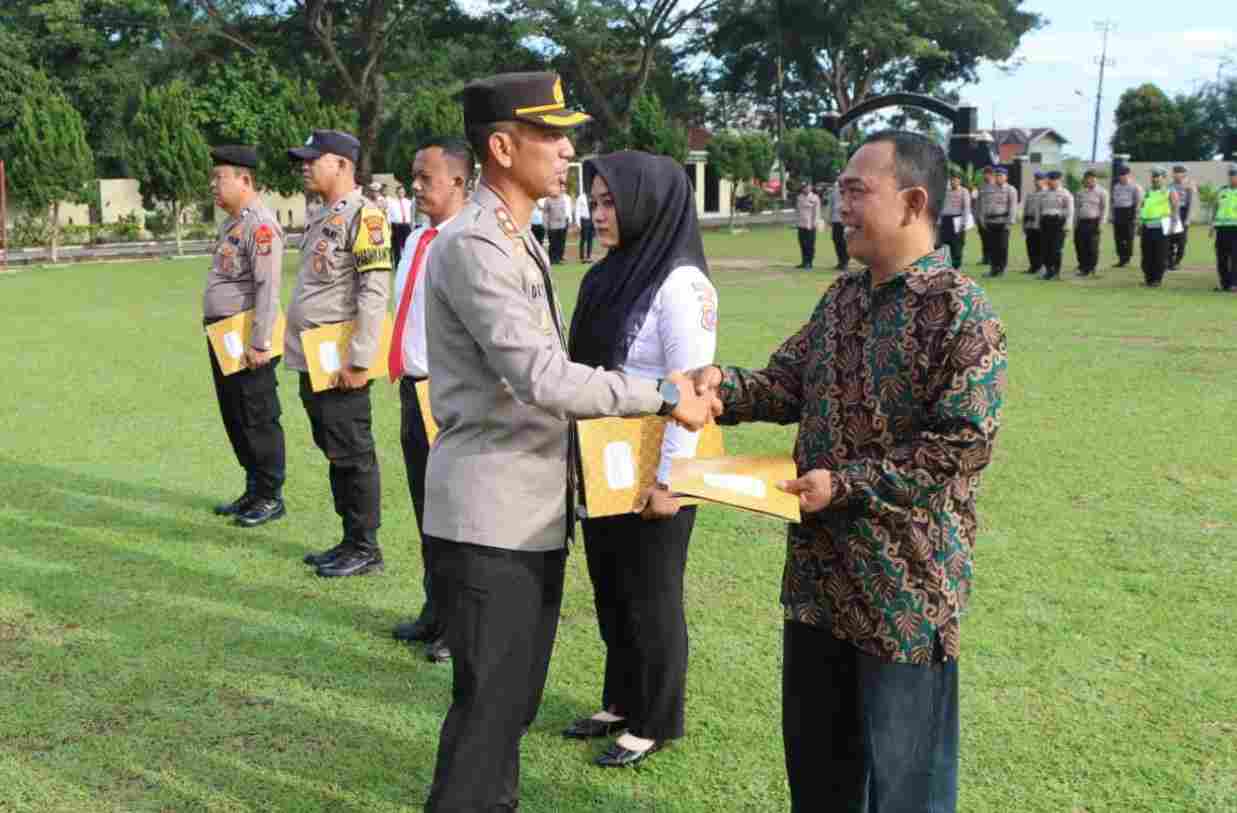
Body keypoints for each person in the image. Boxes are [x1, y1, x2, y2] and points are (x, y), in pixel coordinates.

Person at [421, 72, 716, 812]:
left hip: (528, 505)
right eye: (549, 135)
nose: (567, 151)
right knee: (491, 705)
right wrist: (663, 393)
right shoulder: (478, 246)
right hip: (493, 509)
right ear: (499, 146)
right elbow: (544, 378)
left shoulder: (516, 241)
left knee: (511, 701)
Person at [690, 130, 1007, 813]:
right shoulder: (842, 298)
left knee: (905, 782)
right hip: (818, 582)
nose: (841, 204)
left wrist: (847, 484)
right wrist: (721, 387)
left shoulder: (959, 309)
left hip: (903, 589)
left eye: (857, 190)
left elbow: (959, 443)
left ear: (913, 201)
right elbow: (785, 382)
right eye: (839, 190)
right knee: (819, 769)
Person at [561, 150, 718, 768]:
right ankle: (622, 698)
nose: (599, 214)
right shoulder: (611, 274)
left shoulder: (681, 284)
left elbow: (691, 388)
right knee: (612, 585)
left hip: (656, 465)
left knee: (652, 591)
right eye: (595, 201)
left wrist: (671, 482)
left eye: (610, 202)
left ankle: (655, 717)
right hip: (604, 459)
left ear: (647, 204)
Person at [285, 129, 392, 577]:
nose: (305, 166)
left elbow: (373, 289)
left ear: (343, 165)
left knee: (352, 450)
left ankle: (366, 546)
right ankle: (349, 538)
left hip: (341, 359)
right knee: (334, 449)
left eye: (314, 159)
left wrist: (361, 359)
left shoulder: (365, 217)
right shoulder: (321, 215)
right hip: (315, 356)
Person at [388, 137, 474, 664]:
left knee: (456, 514)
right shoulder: (418, 238)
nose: (416, 186)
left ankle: (460, 625)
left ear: (460, 182)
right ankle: (436, 610)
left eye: (427, 177)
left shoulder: (466, 244)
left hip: (450, 395)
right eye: (414, 176)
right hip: (412, 390)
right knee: (426, 510)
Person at [204, 145, 287, 527]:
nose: (213, 187)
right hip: (225, 337)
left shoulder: (260, 225)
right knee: (235, 414)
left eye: (220, 179)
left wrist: (261, 343)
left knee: (257, 416)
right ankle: (254, 488)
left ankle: (270, 495)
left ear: (245, 180)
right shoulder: (232, 223)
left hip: (247, 339)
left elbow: (268, 288)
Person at [1139, 166, 1180, 288]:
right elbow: (1143, 208)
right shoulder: (1147, 191)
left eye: (1157, 176)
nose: (1154, 179)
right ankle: (1148, 279)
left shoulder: (1169, 191)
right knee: (1146, 255)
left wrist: (1173, 225)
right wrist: (1140, 223)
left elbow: (1175, 209)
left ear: (1163, 178)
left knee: (1159, 255)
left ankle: (1157, 279)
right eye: (1153, 176)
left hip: (1162, 227)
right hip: (1147, 226)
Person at [978, 166, 1018, 277]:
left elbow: (1013, 207)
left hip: (1003, 221)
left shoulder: (1011, 190)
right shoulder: (988, 189)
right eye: (997, 175)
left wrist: (1010, 222)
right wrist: (982, 219)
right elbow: (983, 205)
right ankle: (993, 269)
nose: (998, 177)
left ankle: (1002, 268)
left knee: (1002, 246)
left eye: (1001, 175)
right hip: (990, 221)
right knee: (992, 246)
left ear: (1006, 177)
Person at [1037, 170, 1073, 280]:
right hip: (1045, 222)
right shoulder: (1043, 193)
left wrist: (1068, 225)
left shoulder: (1065, 193)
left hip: (1058, 223)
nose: (1050, 182)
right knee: (1045, 248)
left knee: (1056, 249)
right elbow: (1039, 209)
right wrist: (1038, 222)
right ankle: (1048, 271)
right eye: (1049, 179)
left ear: (1059, 180)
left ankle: (1056, 272)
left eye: (1053, 180)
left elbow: (1070, 210)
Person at [1074, 169, 1109, 277]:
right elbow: (1077, 209)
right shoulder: (1080, 192)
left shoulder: (1102, 192)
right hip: (1081, 222)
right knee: (1080, 245)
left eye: (1093, 178)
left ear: (1095, 179)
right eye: (1088, 178)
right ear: (1085, 179)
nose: (1090, 181)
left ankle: (1092, 267)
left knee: (1092, 247)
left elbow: (1104, 208)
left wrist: (1101, 223)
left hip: (1094, 222)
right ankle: (1083, 267)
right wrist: (1075, 223)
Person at [1210, 164, 1237, 292]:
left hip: (1235, 229)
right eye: (1230, 175)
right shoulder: (1222, 191)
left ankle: (1234, 284)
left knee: (1235, 257)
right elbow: (1216, 207)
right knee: (1221, 257)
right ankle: (1224, 283)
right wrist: (1212, 224)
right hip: (1222, 229)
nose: (1232, 177)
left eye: (1234, 175)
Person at [937, 168, 970, 270]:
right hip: (946, 220)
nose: (953, 182)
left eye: (955, 179)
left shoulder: (964, 191)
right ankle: (944, 266)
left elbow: (966, 208)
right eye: (951, 179)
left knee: (957, 245)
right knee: (941, 244)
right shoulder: (944, 191)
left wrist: (964, 223)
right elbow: (940, 206)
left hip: (958, 220)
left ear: (959, 180)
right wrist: (938, 221)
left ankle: (956, 266)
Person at [1110, 165, 1143, 267]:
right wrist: (1112, 215)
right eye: (1120, 175)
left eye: (1124, 175)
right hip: (1118, 213)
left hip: (1129, 213)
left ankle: (1127, 258)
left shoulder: (1135, 187)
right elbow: (1113, 201)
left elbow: (1139, 203)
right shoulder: (1116, 187)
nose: (1121, 177)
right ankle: (1121, 258)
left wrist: (1137, 217)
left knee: (1128, 237)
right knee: (1118, 238)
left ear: (1129, 175)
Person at [1168, 165, 1195, 270]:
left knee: (1181, 240)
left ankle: (1177, 261)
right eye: (1175, 172)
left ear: (1183, 174)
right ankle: (1169, 261)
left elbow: (1191, 203)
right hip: (1171, 213)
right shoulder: (1170, 186)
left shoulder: (1189, 186)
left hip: (1183, 213)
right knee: (1169, 239)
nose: (1176, 174)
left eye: (1179, 172)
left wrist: (1188, 218)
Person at [1022, 171, 1045, 275]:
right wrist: (1024, 225)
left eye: (1039, 180)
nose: (1037, 182)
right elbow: (1026, 209)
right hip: (1030, 224)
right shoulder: (1030, 194)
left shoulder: (1046, 193)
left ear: (1044, 181)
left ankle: (1041, 266)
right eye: (1036, 180)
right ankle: (1033, 266)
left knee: (1041, 246)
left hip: (1041, 224)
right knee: (1030, 246)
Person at [795, 179, 820, 269]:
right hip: (801, 225)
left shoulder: (815, 197)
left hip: (810, 225)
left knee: (810, 245)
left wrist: (814, 223)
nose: (804, 189)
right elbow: (798, 211)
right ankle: (804, 261)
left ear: (810, 187)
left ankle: (809, 262)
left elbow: (816, 212)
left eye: (806, 187)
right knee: (802, 244)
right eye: (803, 187)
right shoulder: (799, 197)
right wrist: (796, 223)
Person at [545, 180, 572, 263]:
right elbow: (545, 213)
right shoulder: (548, 200)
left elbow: (565, 211)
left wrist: (567, 221)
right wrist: (545, 224)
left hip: (562, 224)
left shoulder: (563, 199)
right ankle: (552, 259)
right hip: (552, 225)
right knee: (553, 243)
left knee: (560, 243)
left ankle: (559, 258)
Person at [389, 184, 414, 270]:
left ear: (405, 193)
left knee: (408, 246)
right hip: (396, 226)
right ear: (396, 193)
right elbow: (389, 215)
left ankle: (408, 264)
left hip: (406, 226)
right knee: (396, 247)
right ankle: (397, 265)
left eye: (402, 192)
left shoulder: (408, 202)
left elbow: (412, 214)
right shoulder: (392, 203)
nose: (401, 194)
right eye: (399, 192)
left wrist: (412, 225)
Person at [975, 165, 996, 265]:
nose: (985, 176)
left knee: (993, 239)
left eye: (987, 174)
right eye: (984, 174)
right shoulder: (981, 186)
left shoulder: (996, 186)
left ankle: (993, 258)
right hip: (982, 217)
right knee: (984, 239)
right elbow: (978, 202)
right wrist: (976, 216)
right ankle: (985, 258)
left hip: (992, 217)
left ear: (991, 175)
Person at [828, 179, 848, 270]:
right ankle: (840, 261)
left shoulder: (848, 191)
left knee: (844, 241)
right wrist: (829, 218)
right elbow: (831, 205)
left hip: (845, 220)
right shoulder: (834, 192)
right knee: (836, 240)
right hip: (836, 219)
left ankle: (845, 261)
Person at [575, 183, 594, 261]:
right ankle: (582, 257)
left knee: (590, 239)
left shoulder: (592, 197)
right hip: (584, 220)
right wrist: (578, 223)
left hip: (591, 220)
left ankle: (589, 256)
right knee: (583, 239)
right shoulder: (581, 197)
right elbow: (577, 210)